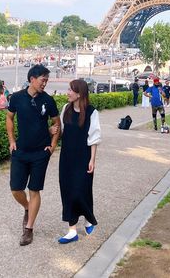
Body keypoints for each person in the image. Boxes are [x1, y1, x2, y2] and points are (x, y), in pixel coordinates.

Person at [6, 64, 61, 246]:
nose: (45, 83)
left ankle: (28, 229)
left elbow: (56, 123)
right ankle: (28, 207)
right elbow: (9, 117)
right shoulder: (17, 98)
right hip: (20, 151)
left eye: (47, 80)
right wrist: (11, 140)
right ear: (32, 79)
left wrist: (53, 145)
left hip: (40, 152)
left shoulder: (48, 100)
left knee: (34, 189)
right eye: (42, 80)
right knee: (16, 188)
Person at [57, 79, 101, 244]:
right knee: (68, 191)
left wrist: (92, 159)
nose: (68, 93)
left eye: (71, 90)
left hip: (83, 158)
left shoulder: (91, 112)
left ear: (79, 93)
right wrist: (52, 131)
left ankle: (88, 218)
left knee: (82, 190)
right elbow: (61, 131)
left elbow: (94, 137)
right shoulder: (66, 109)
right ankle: (72, 230)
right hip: (67, 158)